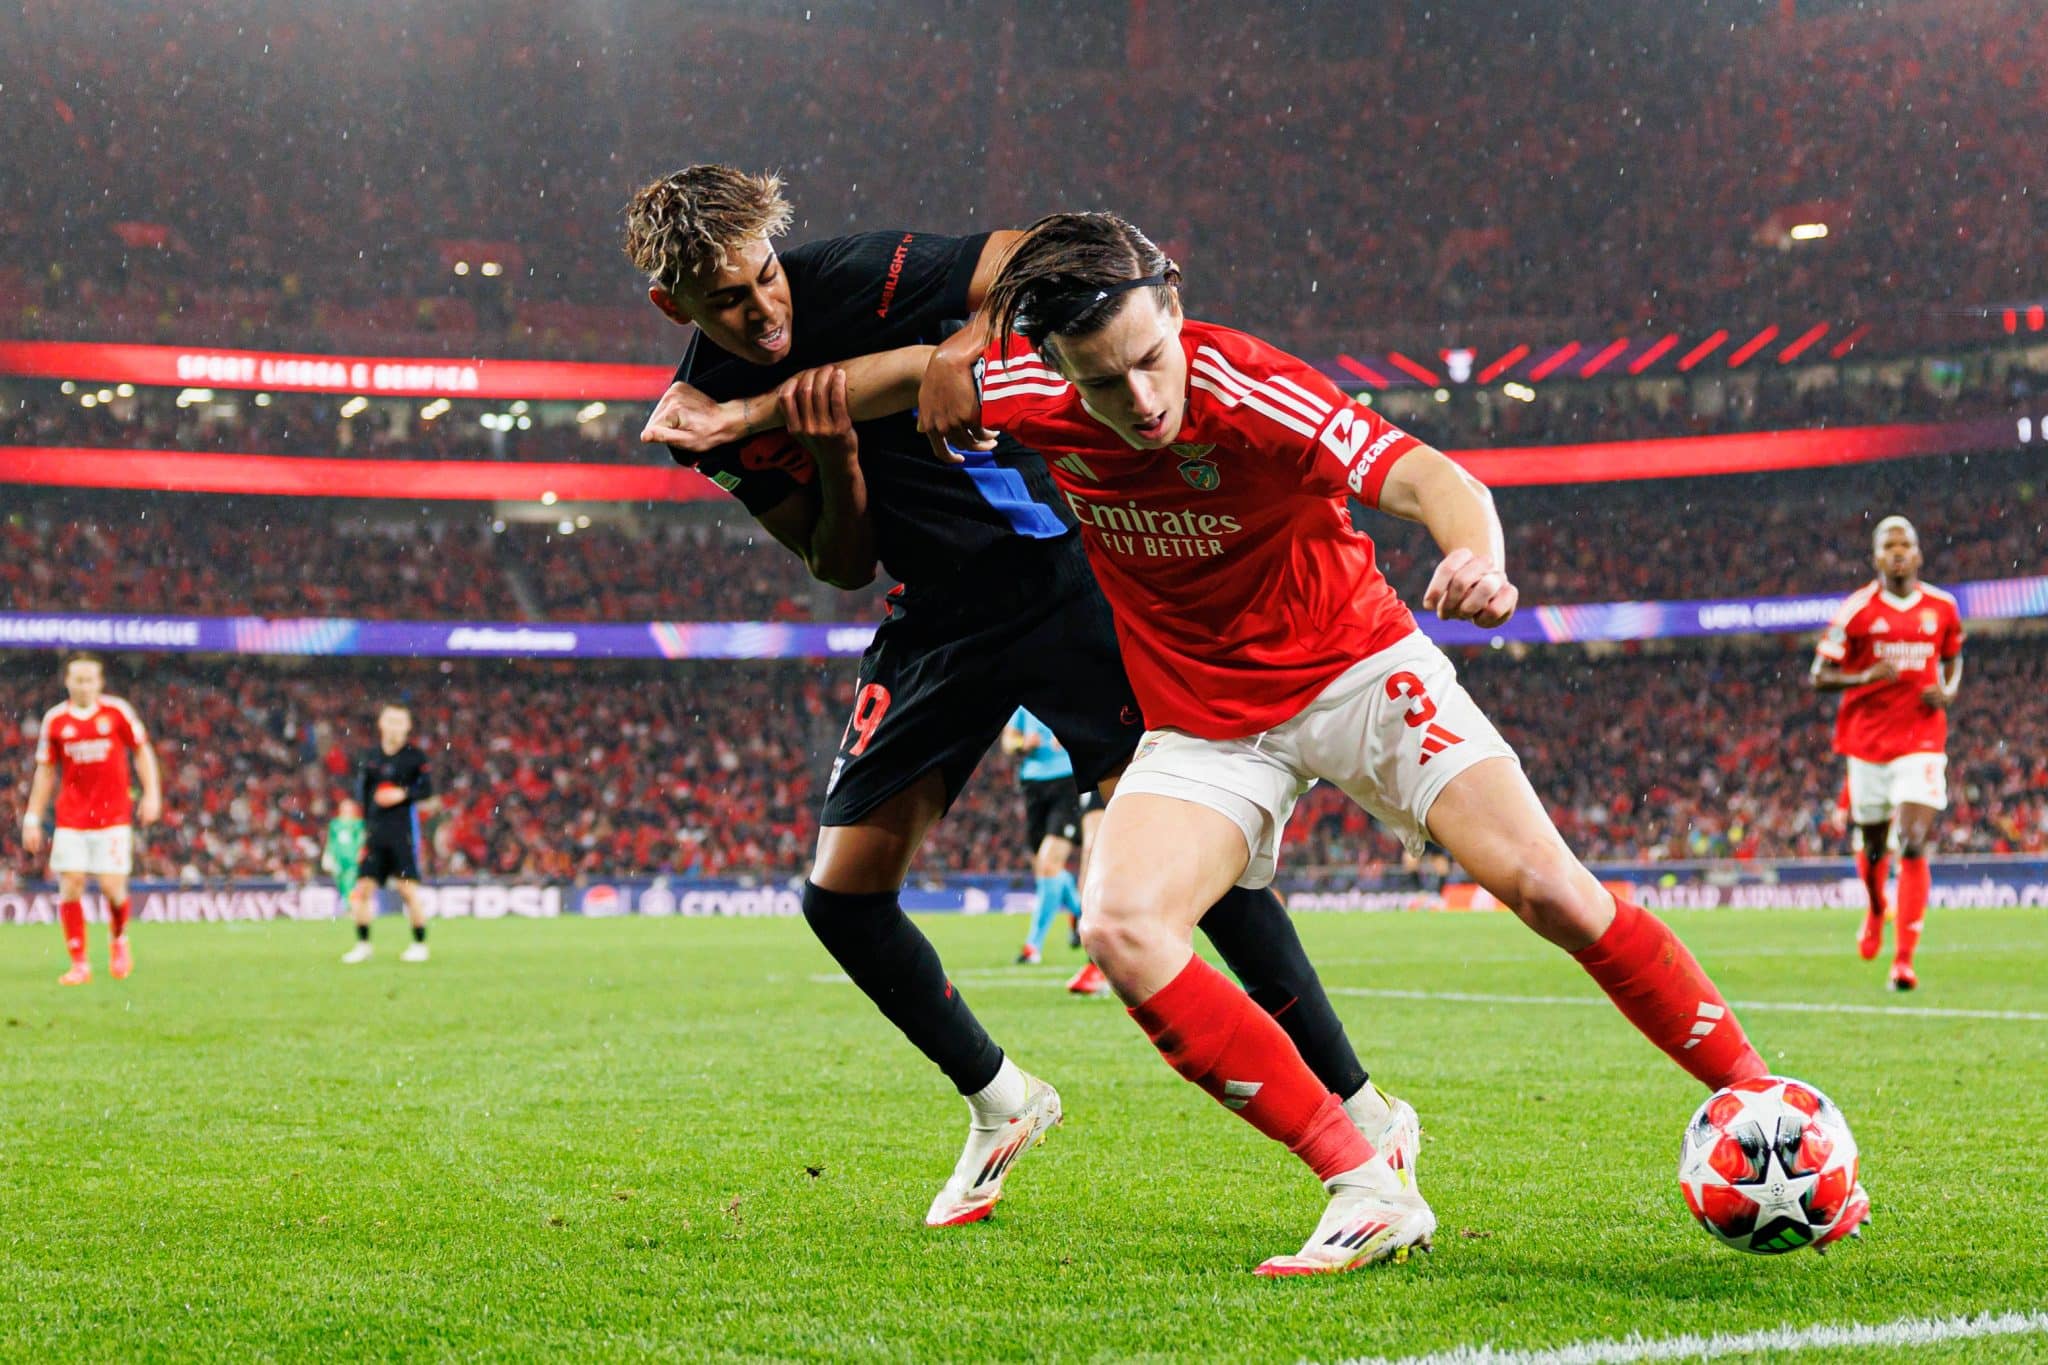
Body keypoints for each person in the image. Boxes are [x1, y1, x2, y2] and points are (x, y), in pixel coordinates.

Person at [749, 211, 1864, 1272]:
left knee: (1549, 891)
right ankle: (1365, 1183)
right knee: (1124, 928)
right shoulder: (1028, 383)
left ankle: (1765, 1107)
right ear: (1052, 362)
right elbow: (880, 379)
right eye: (1103, 379)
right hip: (1202, 721)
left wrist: (1474, 556)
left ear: (1172, 305)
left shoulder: (1251, 388)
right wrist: (730, 420)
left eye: (1149, 358)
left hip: (1357, 673)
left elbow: (1433, 476)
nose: (1138, 398)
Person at [625, 166, 1410, 1228]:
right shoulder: (702, 412)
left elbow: (1032, 249)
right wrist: (833, 455)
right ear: (675, 307)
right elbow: (837, 560)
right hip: (936, 616)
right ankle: (1001, 1101)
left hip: (1052, 576)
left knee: (1190, 854)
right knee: (839, 898)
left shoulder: (854, 274)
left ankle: (1362, 1111)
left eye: (763, 276)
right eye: (728, 301)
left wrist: (961, 341)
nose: (763, 308)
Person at [1810, 516, 1963, 990]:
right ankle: (1877, 908)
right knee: (1875, 849)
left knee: (1914, 840)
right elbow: (1819, 675)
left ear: (1918, 553)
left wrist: (1950, 690)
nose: (1898, 552)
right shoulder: (1856, 611)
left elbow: (1954, 655)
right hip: (1868, 744)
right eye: (1889, 545)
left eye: (1906, 544)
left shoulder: (1942, 607)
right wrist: (1862, 677)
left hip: (1922, 739)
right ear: (1876, 557)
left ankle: (1904, 960)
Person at [20, 652, 161, 985]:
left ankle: (118, 939)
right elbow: (46, 770)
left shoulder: (116, 712)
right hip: (71, 817)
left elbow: (142, 750)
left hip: (112, 816)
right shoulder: (55, 720)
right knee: (71, 884)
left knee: (112, 887)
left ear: (99, 682)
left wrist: (152, 793)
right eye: (78, 679)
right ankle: (79, 963)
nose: (84, 685)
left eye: (89, 679)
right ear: (67, 681)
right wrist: (32, 816)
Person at [342, 704, 438, 965]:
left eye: (400, 721)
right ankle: (363, 944)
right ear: (382, 724)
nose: (395, 726)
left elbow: (428, 791)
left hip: (402, 835)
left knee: (408, 892)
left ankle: (420, 944)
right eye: (391, 720)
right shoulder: (371, 756)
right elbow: (362, 793)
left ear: (407, 727)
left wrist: (403, 794)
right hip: (375, 835)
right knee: (361, 891)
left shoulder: (415, 758)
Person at [1002, 707, 1083, 966]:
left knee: (1049, 865)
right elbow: (1008, 741)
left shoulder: (1069, 692)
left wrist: (1073, 736)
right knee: (1043, 868)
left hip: (1068, 782)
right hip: (1033, 786)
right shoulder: (1023, 705)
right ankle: (1081, 913)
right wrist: (1022, 743)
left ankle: (1032, 946)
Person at [322, 797, 368, 918]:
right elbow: (331, 842)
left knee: (351, 883)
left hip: (352, 858)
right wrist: (328, 855)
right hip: (338, 858)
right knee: (341, 883)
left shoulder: (358, 824)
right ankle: (348, 906)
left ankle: (351, 907)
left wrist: (360, 852)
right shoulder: (335, 824)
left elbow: (361, 839)